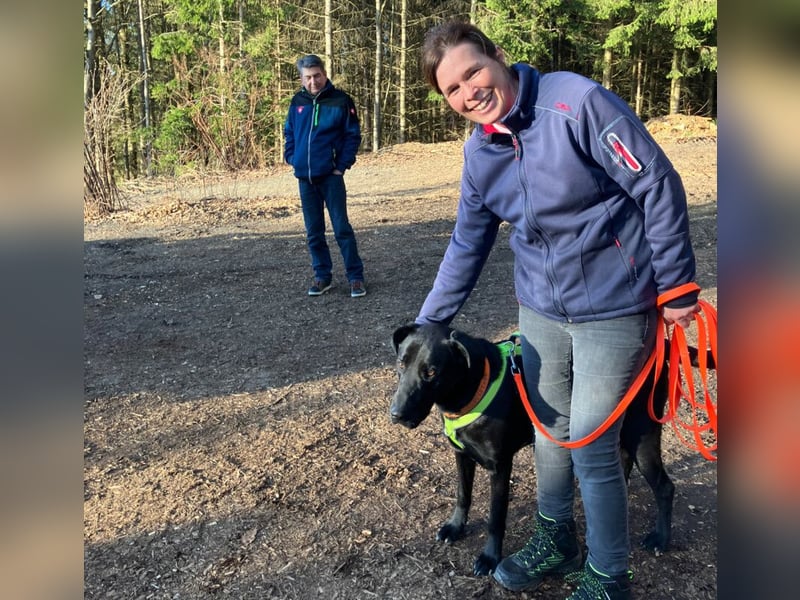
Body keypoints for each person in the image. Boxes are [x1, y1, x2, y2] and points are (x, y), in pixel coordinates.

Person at [415, 21, 699, 600]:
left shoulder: (577, 104)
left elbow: (657, 185)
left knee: (591, 440)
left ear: (497, 57)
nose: (469, 91)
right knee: (549, 429)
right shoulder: (480, 153)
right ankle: (555, 536)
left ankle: (608, 573)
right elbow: (469, 242)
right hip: (542, 310)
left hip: (616, 306)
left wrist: (675, 286)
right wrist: (431, 322)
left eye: (473, 71)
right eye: (452, 89)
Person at [284, 54, 367, 298]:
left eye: (317, 76)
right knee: (314, 231)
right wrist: (292, 157)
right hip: (305, 178)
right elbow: (289, 132)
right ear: (301, 78)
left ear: (325, 74)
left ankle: (356, 277)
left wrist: (341, 165)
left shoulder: (340, 101)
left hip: (331, 176)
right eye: (308, 77)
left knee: (341, 228)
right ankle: (322, 276)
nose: (313, 82)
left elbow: (352, 135)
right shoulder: (297, 101)